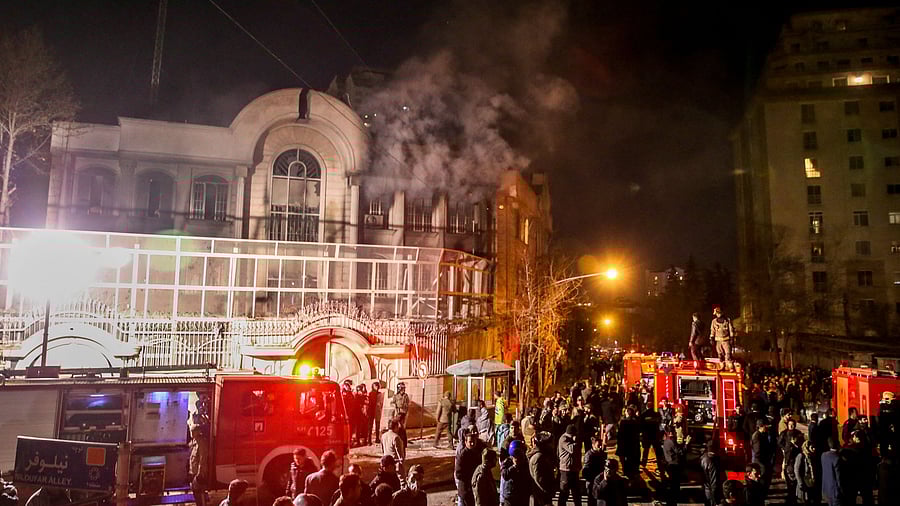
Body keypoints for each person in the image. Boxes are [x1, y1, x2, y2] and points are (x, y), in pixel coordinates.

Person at [456, 431, 485, 506]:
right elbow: (458, 474)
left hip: (474, 488)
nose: (472, 444)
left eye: (474, 441)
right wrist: (471, 478)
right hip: (466, 489)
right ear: (465, 442)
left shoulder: (477, 453)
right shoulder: (462, 456)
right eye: (470, 442)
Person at [662, 429, 690, 506]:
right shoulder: (671, 442)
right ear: (671, 433)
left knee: (672, 484)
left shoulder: (665, 442)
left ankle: (671, 501)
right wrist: (686, 444)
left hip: (669, 464)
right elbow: (680, 452)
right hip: (674, 465)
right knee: (675, 484)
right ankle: (673, 501)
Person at [528, 432, 556, 506]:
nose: (552, 446)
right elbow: (539, 479)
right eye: (550, 443)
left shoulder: (544, 456)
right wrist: (547, 491)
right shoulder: (538, 457)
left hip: (543, 493)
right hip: (541, 495)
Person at [500, 441, 531, 506]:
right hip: (510, 495)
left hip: (522, 495)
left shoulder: (525, 461)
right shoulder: (507, 462)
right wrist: (514, 466)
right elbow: (505, 475)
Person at [558, 424, 582, 506]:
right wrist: (575, 441)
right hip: (566, 470)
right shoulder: (563, 439)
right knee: (564, 492)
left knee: (577, 493)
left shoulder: (571, 438)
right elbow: (572, 449)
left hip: (574, 469)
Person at [750, 419, 775, 492]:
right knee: (763, 477)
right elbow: (757, 451)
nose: (767, 428)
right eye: (766, 426)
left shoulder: (763, 434)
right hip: (760, 461)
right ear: (761, 426)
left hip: (764, 460)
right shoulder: (757, 436)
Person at [189, 424, 209, 506]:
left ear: (198, 432)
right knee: (196, 494)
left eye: (193, 431)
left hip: (199, 473)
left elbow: (203, 458)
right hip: (193, 471)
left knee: (200, 494)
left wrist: (200, 473)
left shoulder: (201, 442)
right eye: (191, 431)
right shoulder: (194, 442)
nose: (192, 433)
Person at [794, 438, 817, 505]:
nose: (814, 449)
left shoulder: (812, 457)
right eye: (812, 447)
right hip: (804, 484)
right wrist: (801, 483)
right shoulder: (801, 456)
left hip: (811, 483)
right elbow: (797, 470)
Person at [820, 438, 843, 506]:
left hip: (826, 489)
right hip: (835, 491)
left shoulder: (823, 455)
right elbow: (838, 477)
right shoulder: (837, 458)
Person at [701, 440, 724, 506]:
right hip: (712, 491)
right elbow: (714, 479)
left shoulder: (703, 458)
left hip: (706, 490)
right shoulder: (713, 461)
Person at [783, 433, 803, 506]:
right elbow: (789, 459)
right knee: (792, 487)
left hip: (789, 468)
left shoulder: (791, 446)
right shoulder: (791, 448)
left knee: (791, 488)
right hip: (791, 468)